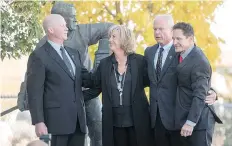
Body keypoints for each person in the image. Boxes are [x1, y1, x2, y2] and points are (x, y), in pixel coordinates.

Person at [18, 2, 113, 146]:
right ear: (56, 22)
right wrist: (35, 115)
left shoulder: (80, 38)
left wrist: (102, 57)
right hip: (62, 110)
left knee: (99, 130)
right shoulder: (41, 51)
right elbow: (33, 83)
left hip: (86, 95)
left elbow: (111, 29)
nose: (75, 20)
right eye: (71, 18)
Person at [144, 14, 217, 146]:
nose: (157, 32)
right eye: (155, 29)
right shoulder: (149, 52)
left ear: (170, 29)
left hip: (179, 119)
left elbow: (199, 77)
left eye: (161, 29)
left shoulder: (181, 50)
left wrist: (212, 92)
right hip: (157, 119)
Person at [83, 25, 153, 146]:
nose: (110, 39)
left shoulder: (140, 62)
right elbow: (95, 87)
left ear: (125, 39)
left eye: (114, 37)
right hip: (112, 122)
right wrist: (74, 98)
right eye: (110, 36)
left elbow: (153, 83)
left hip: (138, 120)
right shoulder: (104, 64)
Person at [27, 14, 90, 146]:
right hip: (56, 124)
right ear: (51, 30)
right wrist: (39, 121)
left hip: (78, 122)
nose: (67, 28)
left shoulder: (74, 53)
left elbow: (85, 78)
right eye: (62, 25)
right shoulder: (39, 56)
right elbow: (35, 92)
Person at [172, 22, 222, 146]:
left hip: (199, 122)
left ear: (190, 39)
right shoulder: (178, 54)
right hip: (182, 119)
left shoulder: (199, 61)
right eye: (173, 38)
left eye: (178, 39)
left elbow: (200, 94)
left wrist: (190, 122)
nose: (174, 42)